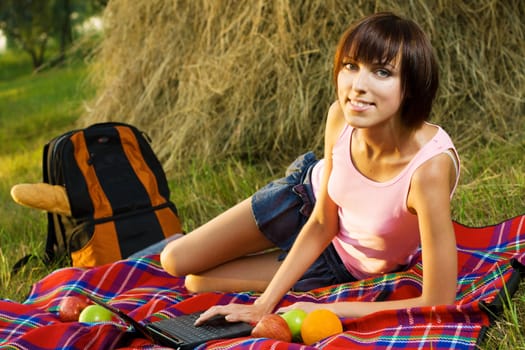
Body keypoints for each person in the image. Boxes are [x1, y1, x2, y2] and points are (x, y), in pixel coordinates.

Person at [159, 12, 460, 325]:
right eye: (351, 66)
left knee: (197, 281)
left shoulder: (428, 170)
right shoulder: (340, 117)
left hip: (340, 261)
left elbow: (438, 301)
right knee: (174, 260)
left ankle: (253, 253)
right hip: (302, 198)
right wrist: (264, 304)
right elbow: (321, 222)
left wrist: (328, 308)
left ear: (410, 86)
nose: (358, 86)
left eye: (382, 72)